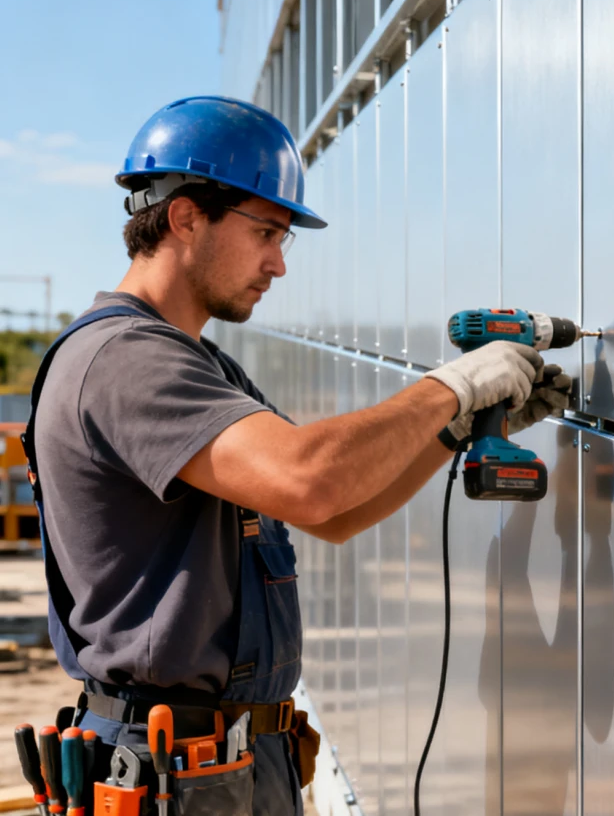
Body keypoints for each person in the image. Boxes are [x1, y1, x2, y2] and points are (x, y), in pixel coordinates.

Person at [24, 96, 571, 815]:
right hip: (174, 772)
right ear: (186, 216)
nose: (279, 263)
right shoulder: (125, 359)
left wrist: (453, 431)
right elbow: (310, 477)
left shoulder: (197, 363)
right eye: (266, 232)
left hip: (231, 760)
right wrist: (453, 385)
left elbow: (331, 510)